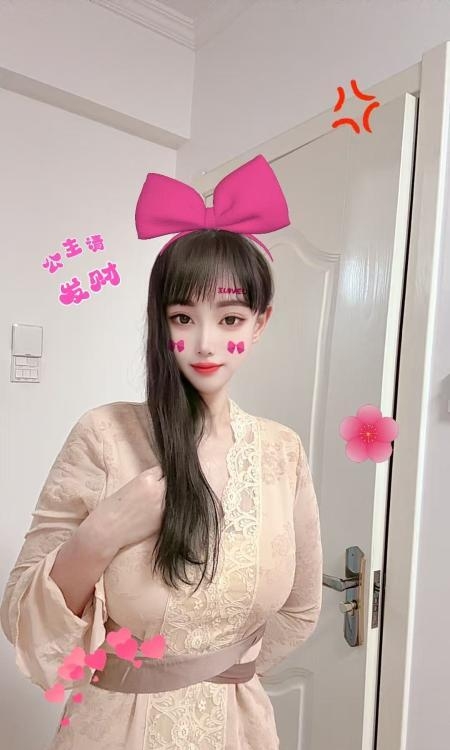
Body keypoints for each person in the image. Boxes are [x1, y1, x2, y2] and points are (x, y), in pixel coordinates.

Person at [0, 154, 323, 749]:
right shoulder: (103, 435)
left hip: (240, 729)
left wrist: (214, 674)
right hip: (116, 731)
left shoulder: (283, 452)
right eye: (183, 317)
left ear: (260, 324)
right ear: (160, 322)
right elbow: (23, 618)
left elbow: (300, 610)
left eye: (230, 318)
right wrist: (102, 533)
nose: (205, 343)